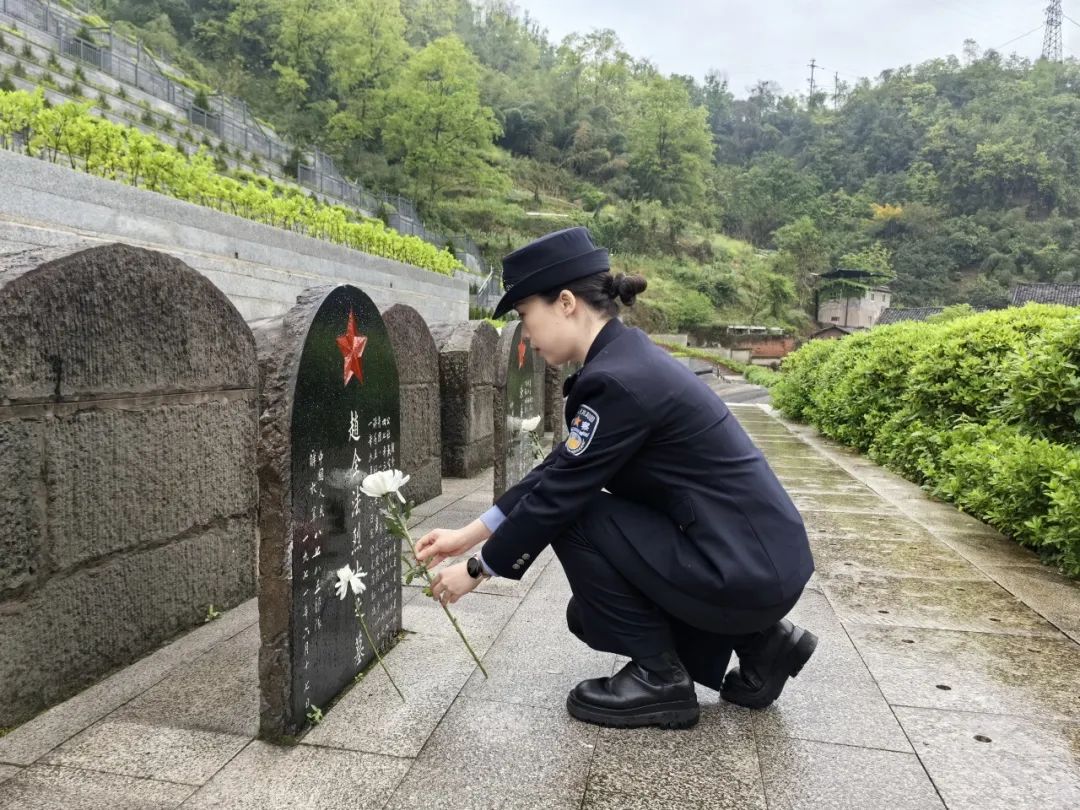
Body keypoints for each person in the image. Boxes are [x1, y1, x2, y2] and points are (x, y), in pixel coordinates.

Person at [416, 226, 816, 730]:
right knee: (588, 615)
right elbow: (560, 467)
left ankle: (660, 679)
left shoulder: (618, 379)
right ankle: (763, 643)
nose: (526, 334)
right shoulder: (625, 361)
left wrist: (477, 571)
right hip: (754, 558)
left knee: (574, 515)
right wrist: (467, 533)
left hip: (744, 568)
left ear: (565, 302)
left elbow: (560, 496)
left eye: (525, 316)